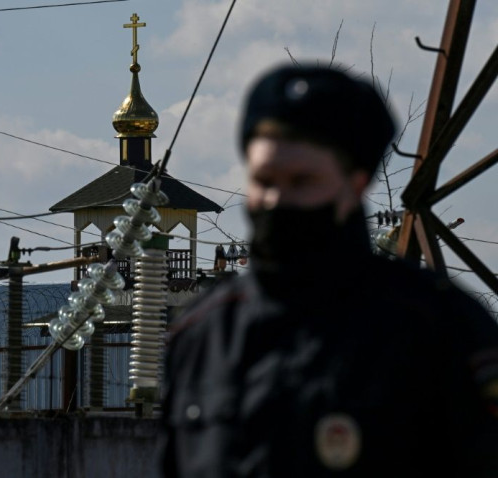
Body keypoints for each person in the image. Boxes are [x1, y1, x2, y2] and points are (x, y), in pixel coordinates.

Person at [158, 64, 498, 477]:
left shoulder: (436, 326)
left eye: (302, 181)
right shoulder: (204, 333)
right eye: (264, 179)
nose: (276, 199)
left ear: (355, 185)